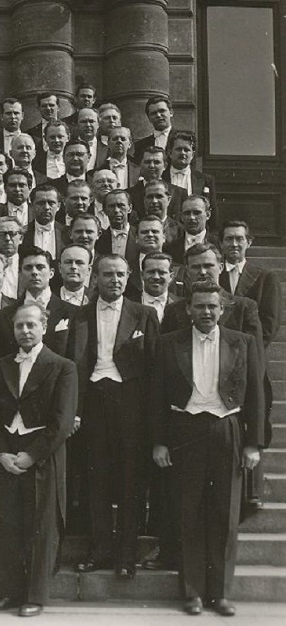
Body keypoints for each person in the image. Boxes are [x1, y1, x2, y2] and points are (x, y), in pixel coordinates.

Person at [149, 281, 262, 617]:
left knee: (225, 515)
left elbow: (255, 395)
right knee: (189, 513)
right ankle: (194, 592)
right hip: (185, 430)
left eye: (213, 306)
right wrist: (159, 441)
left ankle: (221, 593)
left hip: (226, 428)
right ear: (188, 309)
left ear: (222, 309)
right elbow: (155, 396)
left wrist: (253, 443)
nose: (207, 312)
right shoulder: (170, 344)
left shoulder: (241, 342)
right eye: (200, 306)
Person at [67, 254, 160, 579]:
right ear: (96, 277)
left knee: (131, 481)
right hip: (93, 400)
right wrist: (75, 411)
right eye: (108, 274)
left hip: (130, 404)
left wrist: (150, 417)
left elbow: (153, 370)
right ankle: (100, 549)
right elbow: (73, 366)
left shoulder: (144, 314)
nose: (115, 280)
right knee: (97, 480)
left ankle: (126, 555)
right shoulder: (79, 315)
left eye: (120, 274)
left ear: (129, 275)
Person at [0, 303, 77, 617]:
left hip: (42, 454)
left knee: (41, 526)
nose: (25, 331)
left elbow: (62, 423)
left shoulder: (62, 366)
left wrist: (32, 455)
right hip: (8, 453)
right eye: (19, 326)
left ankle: (35, 596)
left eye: (31, 325)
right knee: (8, 523)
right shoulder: (0, 365)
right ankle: (8, 592)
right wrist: (1, 454)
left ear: (44, 327)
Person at [219, 220, 281, 508]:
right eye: (229, 239)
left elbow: (269, 323)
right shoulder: (213, 274)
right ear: (221, 244)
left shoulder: (263, 275)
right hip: (218, 359)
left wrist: (246, 352)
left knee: (253, 420)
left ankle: (253, 491)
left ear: (249, 242)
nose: (234, 244)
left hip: (251, 357)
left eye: (239, 239)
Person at [0, 247, 77, 357]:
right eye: (28, 268)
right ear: (20, 274)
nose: (34, 272)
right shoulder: (4, 315)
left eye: (40, 267)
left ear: (51, 273)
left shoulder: (73, 312)